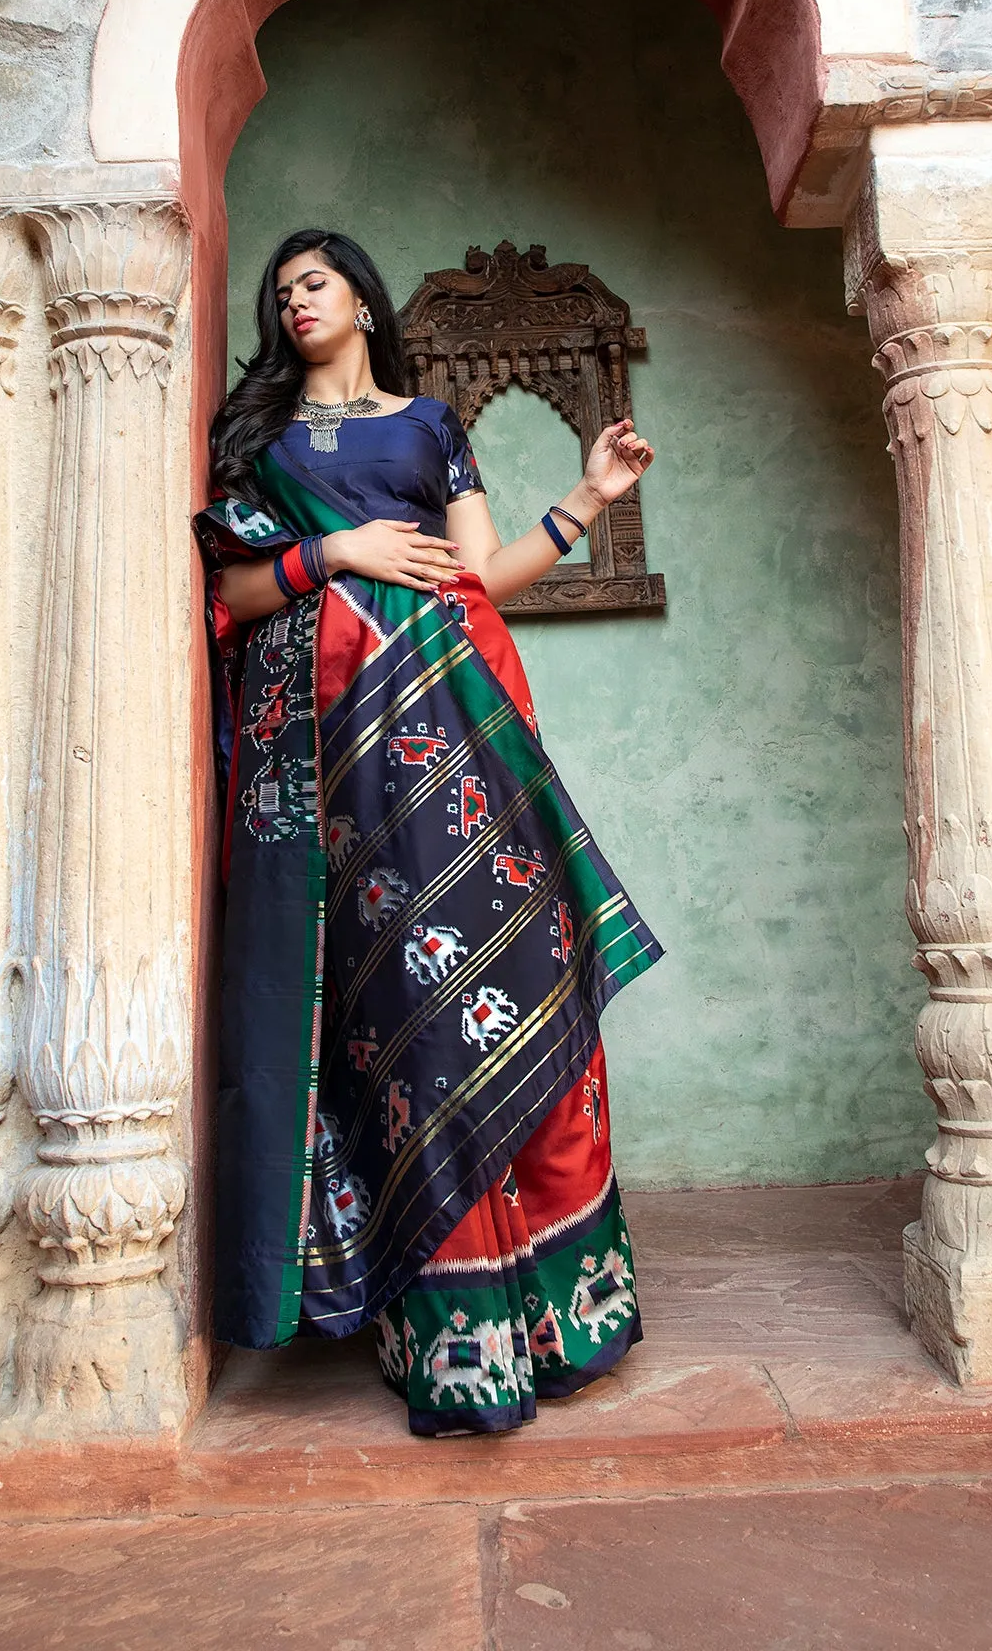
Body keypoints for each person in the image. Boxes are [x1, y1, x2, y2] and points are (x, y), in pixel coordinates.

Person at [196, 227, 663, 1435]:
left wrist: (588, 498)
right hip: (339, 769)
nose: (295, 301)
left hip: (457, 734)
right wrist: (331, 551)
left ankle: (555, 1303)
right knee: (407, 1017)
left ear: (359, 294)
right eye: (280, 291)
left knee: (510, 974)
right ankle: (446, 1315)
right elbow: (236, 591)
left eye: (315, 282)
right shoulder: (260, 440)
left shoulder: (427, 425)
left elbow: (478, 576)